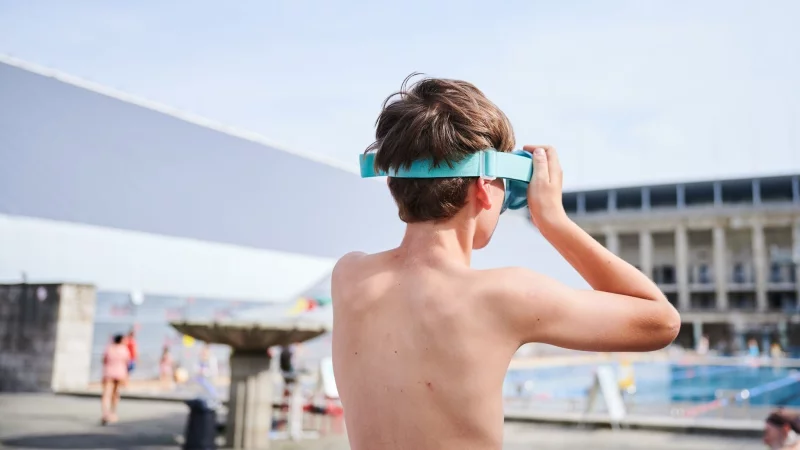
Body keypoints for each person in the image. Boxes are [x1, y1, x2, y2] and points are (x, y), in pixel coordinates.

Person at [331, 75, 681, 450]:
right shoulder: (504, 295)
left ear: (391, 183)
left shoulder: (350, 276)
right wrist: (553, 220)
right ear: (484, 188)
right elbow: (661, 321)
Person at [101, 334, 131, 425]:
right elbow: (127, 362)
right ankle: (113, 413)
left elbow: (104, 360)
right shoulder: (124, 349)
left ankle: (105, 413)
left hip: (108, 372)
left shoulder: (109, 348)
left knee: (106, 394)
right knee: (115, 394)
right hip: (120, 373)